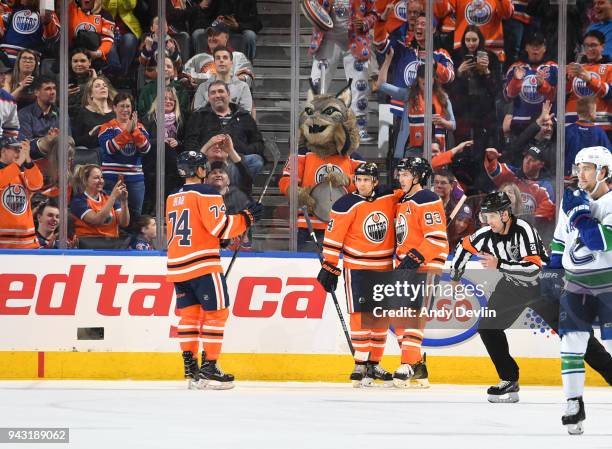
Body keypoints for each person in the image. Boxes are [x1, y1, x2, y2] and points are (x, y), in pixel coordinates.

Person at [450, 191, 612, 403]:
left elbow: (533, 269)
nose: (487, 221)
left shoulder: (523, 230)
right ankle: (509, 378)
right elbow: (463, 247)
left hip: (543, 287)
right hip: (512, 286)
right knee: (488, 328)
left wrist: (498, 264)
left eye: (491, 216)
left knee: (574, 335)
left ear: (505, 214)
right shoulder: (485, 234)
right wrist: (455, 276)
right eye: (484, 216)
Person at [165, 150, 263, 389]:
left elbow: (198, 227)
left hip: (178, 265)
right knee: (216, 315)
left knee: (188, 317)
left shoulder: (172, 196)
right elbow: (221, 227)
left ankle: (191, 368)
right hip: (203, 264)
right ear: (199, 170)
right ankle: (209, 367)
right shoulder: (207, 191)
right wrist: (247, 217)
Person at [316, 162, 397, 387]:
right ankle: (360, 362)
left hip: (384, 266)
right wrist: (330, 266)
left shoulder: (388, 197)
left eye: (366, 180)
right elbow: (333, 238)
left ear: (375, 182)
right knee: (361, 315)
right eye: (359, 180)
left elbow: (409, 197)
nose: (362, 184)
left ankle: (375, 363)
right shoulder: (345, 204)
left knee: (380, 316)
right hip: (357, 267)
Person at [552, 146, 612, 434]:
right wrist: (551, 275)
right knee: (571, 343)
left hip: (609, 284)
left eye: (587, 167)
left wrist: (578, 214)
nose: (580, 174)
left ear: (604, 172)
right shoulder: (574, 199)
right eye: (578, 167)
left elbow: (600, 241)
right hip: (576, 284)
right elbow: (559, 242)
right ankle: (574, 403)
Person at [392, 157, 449, 387]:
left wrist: (414, 258)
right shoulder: (405, 200)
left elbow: (436, 238)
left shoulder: (427, 198)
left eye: (406, 174)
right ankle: (417, 367)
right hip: (407, 264)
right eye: (401, 174)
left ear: (418, 177)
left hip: (424, 265)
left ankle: (407, 364)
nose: (401, 178)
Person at [308, 0, 378, 141]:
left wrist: (365, 22)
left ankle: (358, 128)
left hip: (354, 37)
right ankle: (315, 124)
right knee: (318, 82)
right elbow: (310, 6)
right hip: (327, 36)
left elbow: (374, 13)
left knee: (359, 85)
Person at [184, 80, 264, 179]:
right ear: (209, 98)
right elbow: (189, 144)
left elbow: (258, 144)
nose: (217, 95)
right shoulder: (198, 116)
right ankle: (225, 187)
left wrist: (237, 151)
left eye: (221, 91)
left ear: (228, 94)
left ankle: (225, 189)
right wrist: (206, 153)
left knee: (256, 161)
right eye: (213, 92)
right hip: (208, 162)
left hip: (235, 159)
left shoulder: (244, 116)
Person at [98, 92, 151, 223]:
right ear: (114, 108)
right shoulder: (107, 127)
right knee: (113, 216)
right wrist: (128, 132)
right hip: (111, 178)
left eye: (128, 106)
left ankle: (133, 243)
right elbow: (110, 148)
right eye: (122, 106)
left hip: (135, 179)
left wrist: (134, 131)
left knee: (135, 216)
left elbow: (146, 149)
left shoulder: (140, 128)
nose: (125, 110)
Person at [452, 25, 501, 144]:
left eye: (474, 40)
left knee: (483, 145)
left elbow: (496, 89)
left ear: (480, 40)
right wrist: (458, 72)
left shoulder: (491, 57)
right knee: (463, 145)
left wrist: (486, 72)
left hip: (484, 110)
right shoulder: (456, 56)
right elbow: (450, 87)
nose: (471, 43)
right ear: (463, 41)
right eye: (467, 40)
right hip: (463, 109)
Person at [141, 86, 185, 214]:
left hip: (173, 162)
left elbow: (187, 142)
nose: (168, 101)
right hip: (152, 160)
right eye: (164, 98)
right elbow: (141, 142)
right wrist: (158, 141)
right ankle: (155, 209)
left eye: (172, 99)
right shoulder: (148, 119)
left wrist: (178, 142)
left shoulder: (180, 120)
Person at [504, 32, 557, 133]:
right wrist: (516, 80)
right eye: (532, 45)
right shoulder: (515, 67)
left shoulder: (554, 68)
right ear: (526, 47)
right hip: (520, 122)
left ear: (545, 48)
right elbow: (508, 95)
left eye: (539, 45)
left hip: (546, 123)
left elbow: (555, 97)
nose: (535, 48)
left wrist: (543, 86)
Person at [566, 30, 612, 137]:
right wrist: (567, 79)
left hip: (601, 125)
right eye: (586, 46)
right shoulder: (575, 67)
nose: (589, 49)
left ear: (603, 47)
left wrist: (589, 80)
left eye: (593, 45)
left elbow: (610, 93)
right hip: (572, 124)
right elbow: (559, 95)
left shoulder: (610, 67)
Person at [183, 20, 253, 88]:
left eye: (216, 34)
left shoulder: (238, 57)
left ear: (226, 37)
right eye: (210, 35)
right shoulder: (198, 58)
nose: (212, 38)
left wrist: (235, 78)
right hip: (203, 97)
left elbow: (248, 77)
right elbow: (184, 75)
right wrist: (188, 80)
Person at [0, 137, 42, 248]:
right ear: (3, 151)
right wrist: (18, 163)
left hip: (26, 241)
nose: (20, 153)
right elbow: (2, 180)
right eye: (16, 149)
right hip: (2, 243)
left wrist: (28, 160)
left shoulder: (23, 174)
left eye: (21, 149)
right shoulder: (12, 170)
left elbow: (37, 184)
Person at [69, 164, 129, 239]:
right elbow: (96, 220)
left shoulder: (108, 196)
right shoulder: (78, 201)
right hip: (89, 243)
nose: (101, 181)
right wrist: (113, 196)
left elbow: (124, 223)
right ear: (85, 181)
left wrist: (124, 201)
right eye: (96, 178)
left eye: (102, 177)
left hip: (111, 242)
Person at [0, 0, 59, 67]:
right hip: (4, 59)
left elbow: (53, 39)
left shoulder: (47, 13)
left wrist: (48, 22)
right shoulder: (9, 9)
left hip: (30, 61)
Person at [193, 46, 252, 112]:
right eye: (218, 58)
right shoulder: (202, 87)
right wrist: (209, 102)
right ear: (214, 63)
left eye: (225, 58)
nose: (221, 60)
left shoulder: (243, 87)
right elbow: (196, 114)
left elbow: (246, 114)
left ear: (231, 63)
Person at [565, 97, 611, 178]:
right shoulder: (599, 132)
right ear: (591, 112)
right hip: (592, 178)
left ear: (578, 112)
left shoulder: (568, 130)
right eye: (595, 111)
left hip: (569, 177)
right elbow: (608, 155)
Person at [17, 76, 60, 161]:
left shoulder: (62, 114)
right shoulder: (24, 114)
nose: (52, 92)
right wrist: (45, 141)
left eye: (54, 88)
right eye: (48, 89)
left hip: (57, 155)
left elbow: (69, 140)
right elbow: (24, 145)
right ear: (36, 92)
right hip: (33, 158)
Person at [68, 0, 116, 71]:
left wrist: (98, 53)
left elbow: (107, 39)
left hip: (95, 58)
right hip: (72, 56)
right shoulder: (72, 10)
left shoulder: (105, 15)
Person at [71, 76, 116, 149]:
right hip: (91, 153)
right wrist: (90, 133)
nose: (102, 87)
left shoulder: (116, 112)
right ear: (91, 94)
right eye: (97, 86)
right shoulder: (82, 113)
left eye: (105, 86)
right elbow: (75, 141)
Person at [138, 16, 181, 82]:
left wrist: (173, 52)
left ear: (167, 28)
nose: (161, 25)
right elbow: (142, 62)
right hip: (152, 76)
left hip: (170, 77)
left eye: (164, 23)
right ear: (152, 28)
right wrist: (147, 48)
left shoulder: (172, 42)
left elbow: (178, 64)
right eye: (158, 23)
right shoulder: (146, 42)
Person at [68, 48, 97, 116]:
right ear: (71, 63)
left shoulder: (99, 80)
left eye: (82, 61)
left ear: (89, 62)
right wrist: (62, 96)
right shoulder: (62, 79)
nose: (79, 64)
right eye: (75, 61)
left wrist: (95, 82)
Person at [0, 60, 19, 139]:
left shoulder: (9, 99)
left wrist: (7, 145)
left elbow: (12, 128)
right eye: (0, 74)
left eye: (4, 73)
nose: (4, 77)